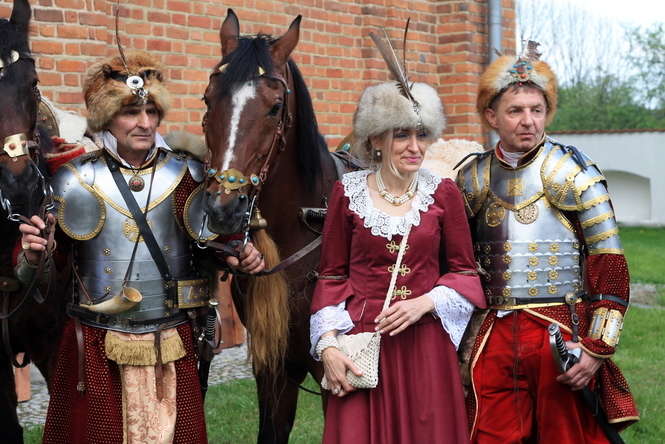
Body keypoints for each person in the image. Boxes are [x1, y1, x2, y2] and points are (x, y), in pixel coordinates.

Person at [16, 52, 264, 443]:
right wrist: (34, 257)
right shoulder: (74, 179)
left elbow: (209, 246)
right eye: (131, 112)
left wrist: (238, 254)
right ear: (107, 117)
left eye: (151, 111)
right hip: (97, 343)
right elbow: (49, 273)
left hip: (171, 339)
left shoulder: (187, 174)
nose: (145, 123)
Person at [457, 44, 639, 443]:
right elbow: (453, 263)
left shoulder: (574, 173)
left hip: (559, 330)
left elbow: (609, 266)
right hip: (493, 331)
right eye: (515, 111)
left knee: (565, 435)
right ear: (491, 116)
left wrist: (596, 347)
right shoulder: (469, 178)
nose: (528, 121)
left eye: (536, 110)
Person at [310, 78, 486, 443]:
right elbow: (331, 275)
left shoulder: (443, 193)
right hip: (363, 341)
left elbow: (465, 271)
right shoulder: (347, 193)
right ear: (376, 139)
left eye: (422, 135)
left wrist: (425, 302)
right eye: (402, 135)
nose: (415, 147)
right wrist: (327, 344)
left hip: (425, 346)